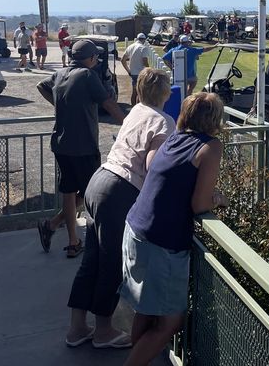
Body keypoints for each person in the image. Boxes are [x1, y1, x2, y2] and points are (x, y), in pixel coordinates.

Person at [65, 68, 175, 349]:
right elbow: (153, 167)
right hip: (119, 191)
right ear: (166, 92)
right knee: (112, 262)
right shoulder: (164, 121)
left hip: (98, 182)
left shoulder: (136, 110)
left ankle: (77, 328)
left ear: (139, 90)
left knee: (92, 260)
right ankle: (103, 331)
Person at [119, 92, 228, 366]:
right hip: (162, 242)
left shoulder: (174, 138)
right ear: (215, 119)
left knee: (145, 310)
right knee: (171, 322)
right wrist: (218, 199)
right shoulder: (211, 147)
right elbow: (199, 204)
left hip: (136, 229)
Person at [36, 39, 125, 258]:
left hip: (61, 144)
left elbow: (41, 86)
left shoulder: (60, 74)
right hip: (84, 146)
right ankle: (87, 239)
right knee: (90, 193)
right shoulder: (87, 75)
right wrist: (128, 125)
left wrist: (61, 104)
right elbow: (109, 104)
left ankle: (69, 239)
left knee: (68, 192)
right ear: (92, 58)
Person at [121, 33, 150, 106]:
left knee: (134, 92)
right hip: (141, 73)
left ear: (137, 39)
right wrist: (149, 70)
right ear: (144, 40)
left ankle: (133, 107)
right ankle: (138, 108)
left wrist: (128, 71)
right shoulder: (143, 48)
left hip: (133, 73)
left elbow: (123, 60)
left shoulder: (130, 47)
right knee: (141, 93)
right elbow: (145, 61)